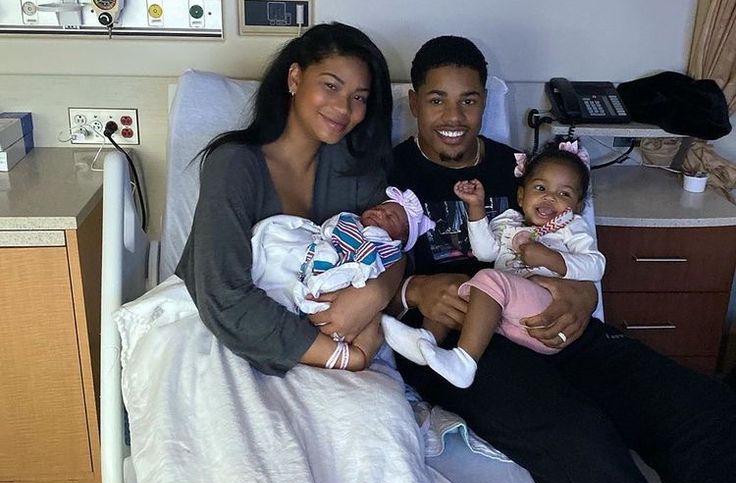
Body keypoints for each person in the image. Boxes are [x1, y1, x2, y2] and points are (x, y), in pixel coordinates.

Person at [388, 34, 736, 483]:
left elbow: (575, 253)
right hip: (467, 342)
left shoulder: (524, 169)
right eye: (437, 100)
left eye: (469, 100)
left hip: (553, 320)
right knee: (578, 437)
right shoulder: (384, 172)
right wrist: (411, 290)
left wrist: (582, 294)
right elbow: (356, 267)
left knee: (704, 407)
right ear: (414, 104)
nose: (454, 117)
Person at [176, 21, 402, 375]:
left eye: (359, 97)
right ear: (295, 79)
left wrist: (377, 292)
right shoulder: (235, 166)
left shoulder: (356, 170)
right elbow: (224, 296)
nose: (344, 108)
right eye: (330, 86)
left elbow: (396, 246)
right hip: (239, 341)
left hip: (343, 339)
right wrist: (342, 357)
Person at [383, 139, 605, 388]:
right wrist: (476, 208)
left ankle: (465, 361)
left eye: (564, 194)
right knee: (456, 290)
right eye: (541, 188)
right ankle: (425, 342)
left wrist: (551, 259)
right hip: (506, 319)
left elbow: (596, 265)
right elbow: (484, 252)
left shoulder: (571, 229)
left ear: (578, 207)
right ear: (521, 196)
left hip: (545, 317)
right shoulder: (509, 223)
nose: (550, 198)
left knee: (488, 279)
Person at [250, 187, 434, 368]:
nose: (380, 213)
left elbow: (380, 265)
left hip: (350, 289)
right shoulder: (348, 221)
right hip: (327, 264)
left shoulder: (391, 249)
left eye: (390, 217)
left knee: (373, 320)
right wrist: (363, 255)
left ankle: (415, 345)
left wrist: (366, 266)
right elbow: (335, 232)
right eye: (380, 207)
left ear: (401, 239)